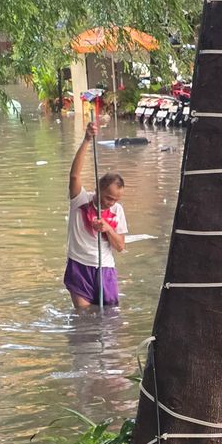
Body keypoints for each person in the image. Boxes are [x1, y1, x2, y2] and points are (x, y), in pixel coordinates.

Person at [65, 122, 127, 309]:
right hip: (79, 264)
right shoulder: (80, 200)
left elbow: (120, 246)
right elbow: (74, 176)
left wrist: (108, 229)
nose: (111, 203)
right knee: (83, 315)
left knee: (110, 315)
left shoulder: (117, 211)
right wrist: (87, 140)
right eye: (108, 198)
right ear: (98, 190)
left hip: (104, 267)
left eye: (115, 200)